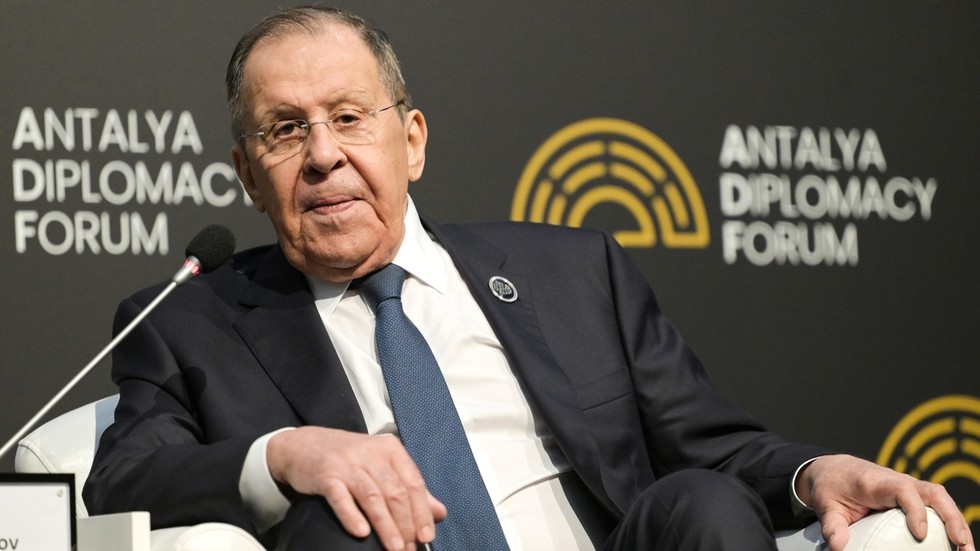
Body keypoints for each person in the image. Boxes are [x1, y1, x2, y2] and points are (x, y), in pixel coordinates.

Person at [83, 6, 974, 551]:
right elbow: (121, 483)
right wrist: (285, 455)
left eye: (349, 117)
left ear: (412, 140)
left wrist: (814, 472)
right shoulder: (188, 321)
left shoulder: (571, 270)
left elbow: (714, 448)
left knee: (699, 501)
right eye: (285, 130)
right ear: (247, 175)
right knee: (332, 524)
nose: (323, 155)